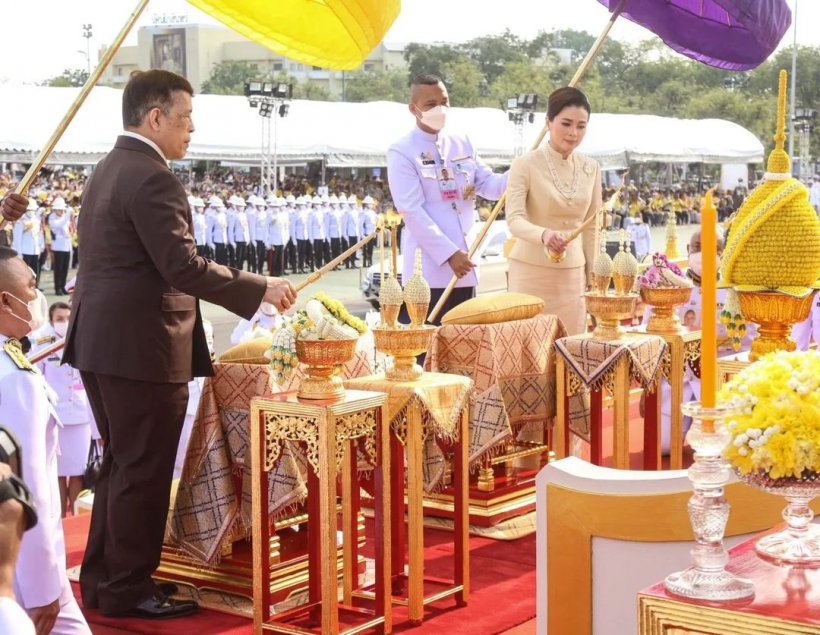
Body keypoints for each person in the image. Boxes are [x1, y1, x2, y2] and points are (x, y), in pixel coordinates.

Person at [38, 69, 296, 620]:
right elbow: (181, 266)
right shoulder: (152, 176)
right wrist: (261, 288)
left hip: (106, 343)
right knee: (144, 469)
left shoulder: (109, 167)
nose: (191, 130)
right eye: (185, 119)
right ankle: (129, 587)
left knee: (122, 466)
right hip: (141, 346)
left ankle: (107, 582)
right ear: (154, 117)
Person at [0, 247, 91, 634]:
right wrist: (42, 587)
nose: (37, 296)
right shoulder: (14, 376)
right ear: (6, 299)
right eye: (31, 286)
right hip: (20, 565)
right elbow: (29, 488)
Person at [387, 74, 508, 323]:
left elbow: (489, 186)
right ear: (414, 108)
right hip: (428, 273)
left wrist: (522, 169)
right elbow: (411, 211)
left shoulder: (462, 142)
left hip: (466, 267)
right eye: (431, 104)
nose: (440, 109)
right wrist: (450, 254)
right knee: (426, 353)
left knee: (465, 348)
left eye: (445, 101)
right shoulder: (402, 150)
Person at [505, 86, 602, 335]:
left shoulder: (591, 167)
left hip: (572, 276)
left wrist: (595, 278)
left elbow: (592, 226)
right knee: (529, 347)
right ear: (548, 122)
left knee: (571, 346)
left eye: (581, 126)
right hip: (530, 272)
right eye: (566, 123)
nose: (573, 133)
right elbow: (514, 219)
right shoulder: (524, 164)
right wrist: (544, 235)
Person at [35, 301, 96, 518]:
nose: (64, 323)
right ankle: (60, 517)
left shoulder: (83, 337)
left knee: (78, 472)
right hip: (56, 415)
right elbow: (37, 377)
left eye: (67, 318)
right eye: (59, 319)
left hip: (80, 416)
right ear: (51, 320)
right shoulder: (43, 342)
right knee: (59, 475)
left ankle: (77, 518)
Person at [49, 198, 72, 295]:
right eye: (59, 210)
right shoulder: (52, 218)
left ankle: (63, 286)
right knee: (58, 268)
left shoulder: (64, 217)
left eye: (63, 210)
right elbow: (58, 226)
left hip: (66, 244)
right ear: (55, 210)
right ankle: (57, 288)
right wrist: (67, 215)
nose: (61, 211)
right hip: (58, 246)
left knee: (65, 268)